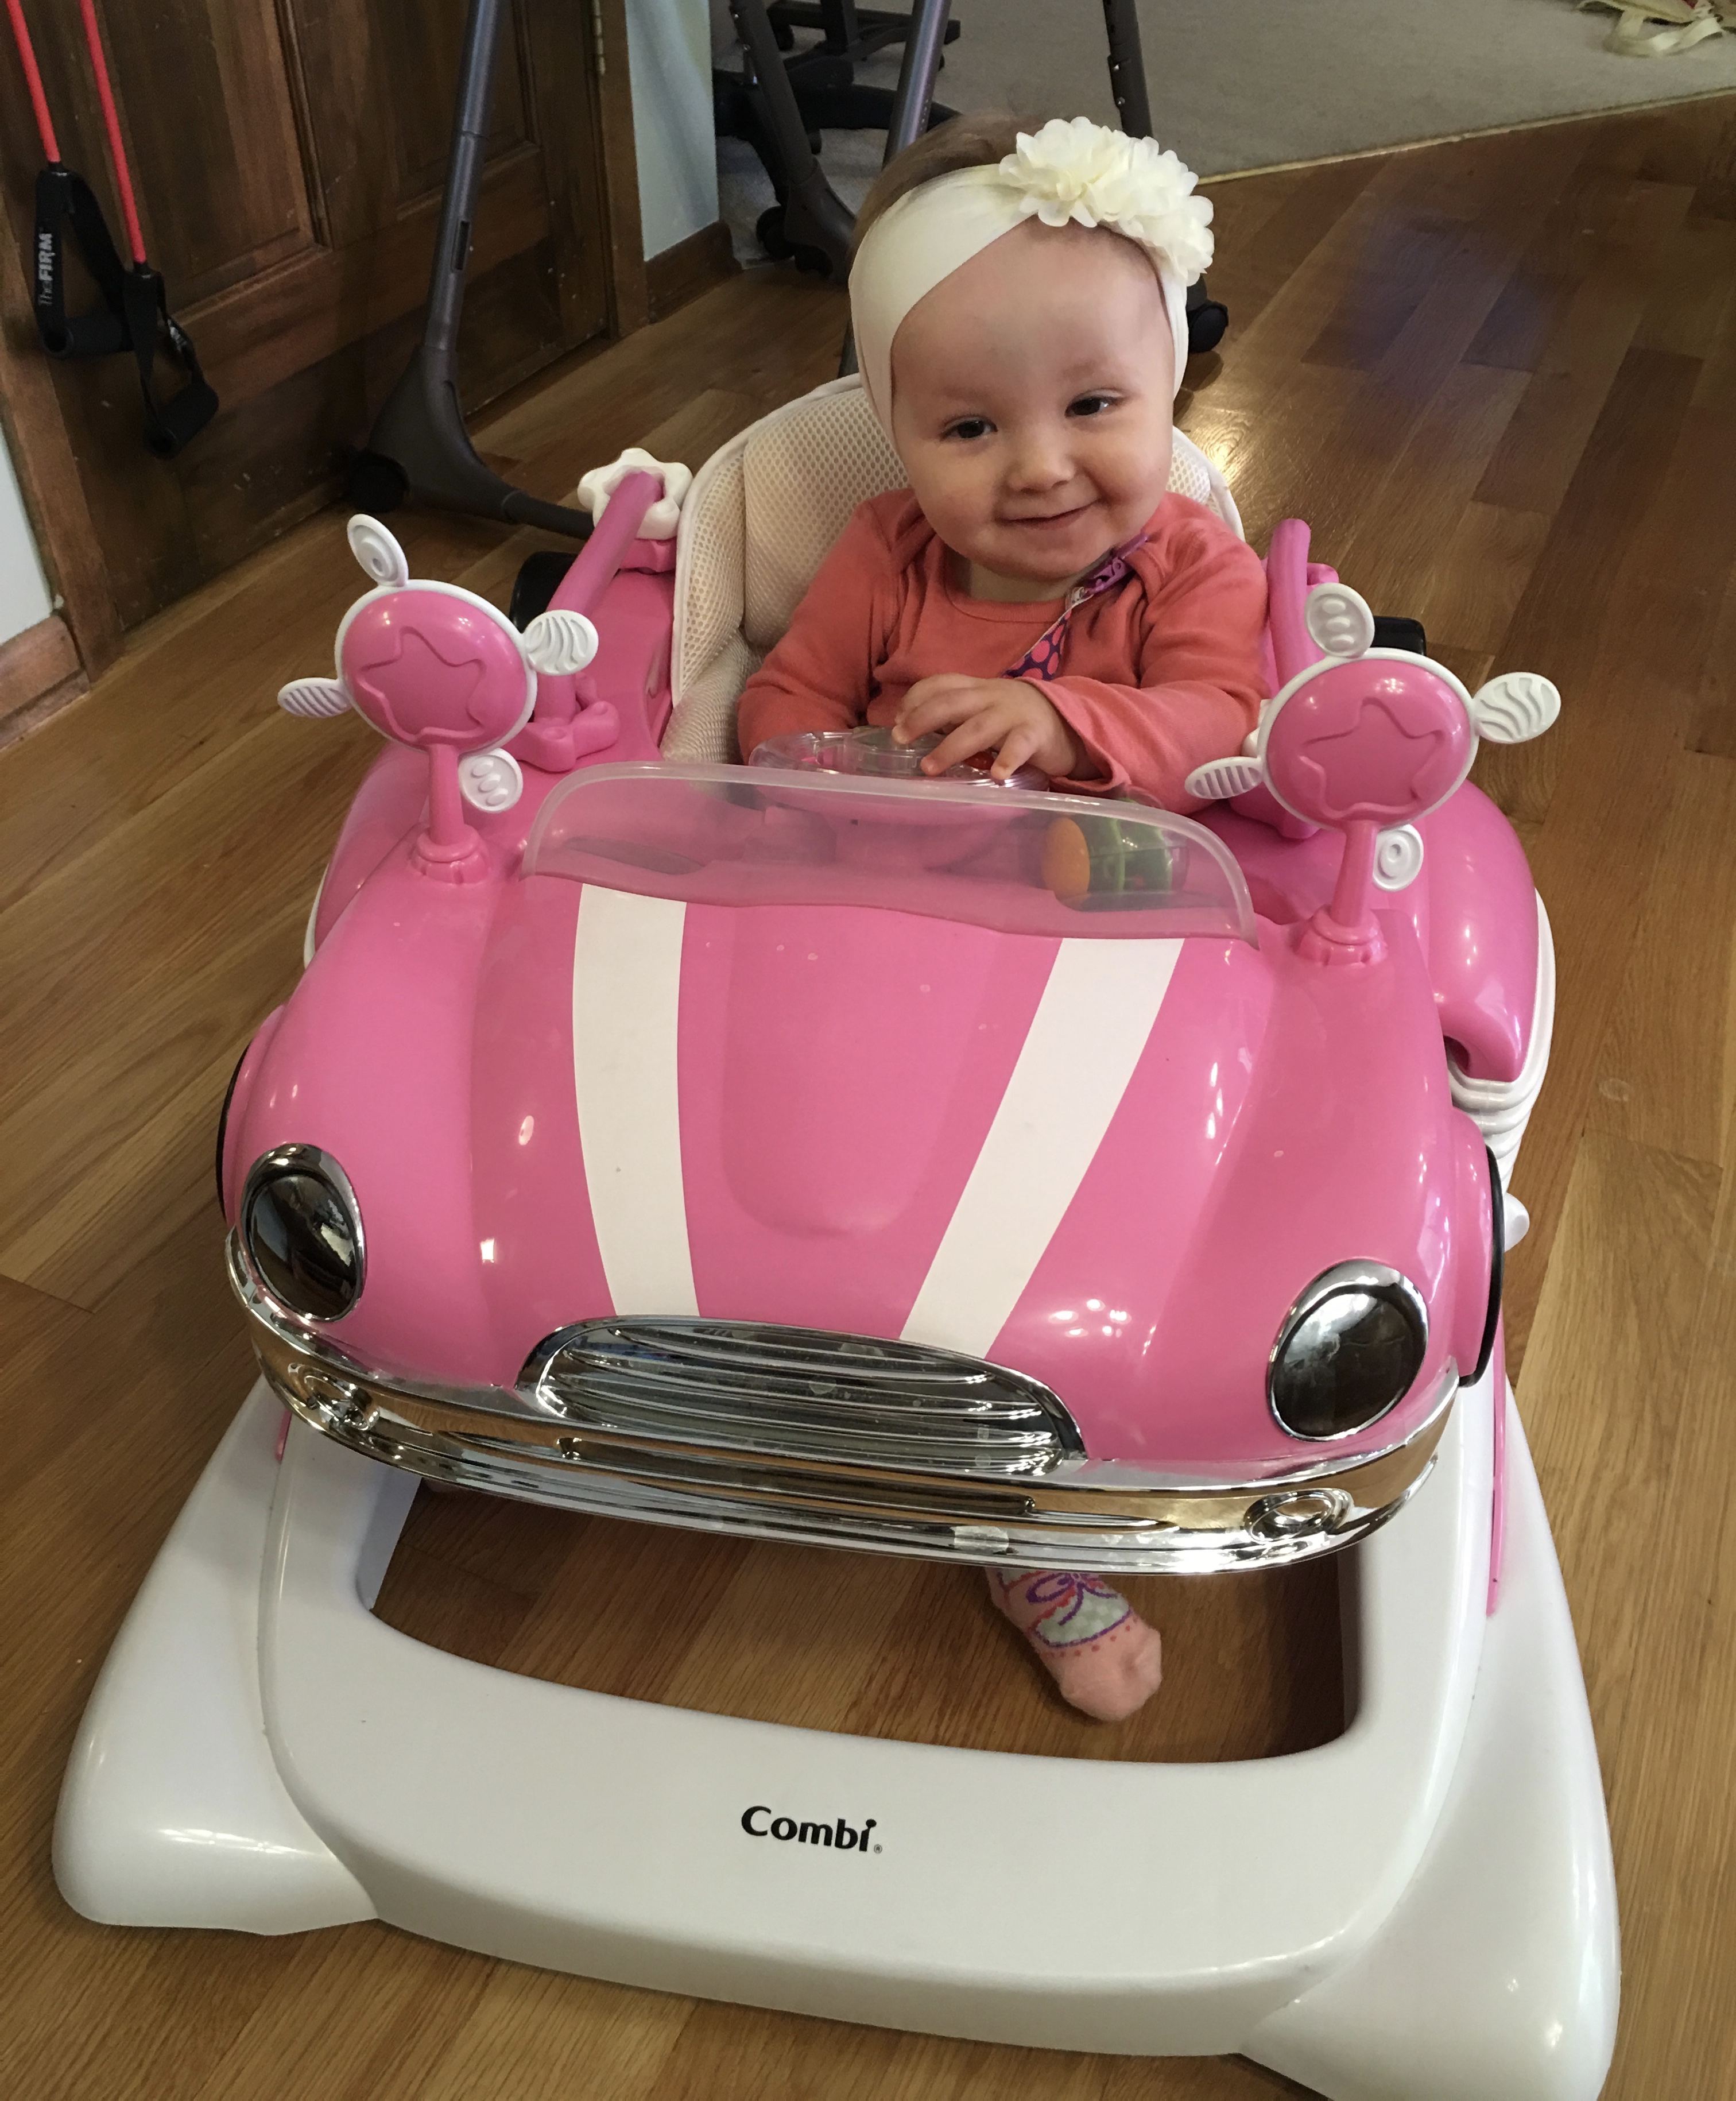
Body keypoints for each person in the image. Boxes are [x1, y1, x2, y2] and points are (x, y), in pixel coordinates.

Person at [737, 114, 1270, 1721]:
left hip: (1116, 966)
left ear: (1169, 393)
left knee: (1077, 1238)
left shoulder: (1189, 564)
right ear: (896, 432)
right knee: (838, 1196)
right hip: (882, 945)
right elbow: (777, 703)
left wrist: (1071, 733)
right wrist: (846, 769)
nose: (1040, 464)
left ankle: (1043, 1506)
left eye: (1095, 407)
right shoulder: (880, 555)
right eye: (971, 424)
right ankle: (825, 1377)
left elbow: (1226, 720)